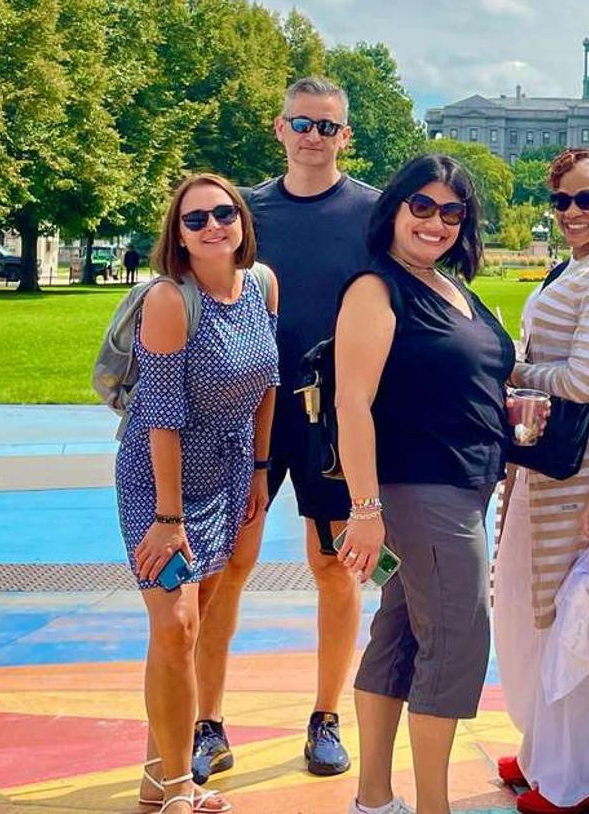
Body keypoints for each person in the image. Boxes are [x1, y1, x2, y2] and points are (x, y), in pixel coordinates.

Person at [194, 77, 380, 783]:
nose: (313, 136)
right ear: (279, 128)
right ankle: (208, 721)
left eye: (327, 126)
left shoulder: (371, 212)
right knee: (227, 566)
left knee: (334, 564)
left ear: (345, 136)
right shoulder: (242, 211)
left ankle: (326, 715)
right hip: (249, 411)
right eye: (302, 123)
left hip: (336, 416)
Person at [335, 154, 532, 814]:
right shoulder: (377, 287)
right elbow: (352, 403)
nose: (436, 221)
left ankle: (373, 797)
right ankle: (433, 807)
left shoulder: (453, 289)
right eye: (422, 205)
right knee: (456, 634)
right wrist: (365, 508)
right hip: (421, 487)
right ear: (393, 206)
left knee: (400, 635)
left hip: (464, 485)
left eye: (452, 211)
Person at [119, 173, 280, 814]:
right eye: (196, 219)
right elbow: (160, 414)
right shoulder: (167, 298)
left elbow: (267, 385)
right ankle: (181, 783)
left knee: (196, 625)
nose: (213, 225)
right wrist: (166, 517)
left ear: (242, 220)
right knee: (176, 625)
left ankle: (156, 779)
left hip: (231, 472)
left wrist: (262, 471)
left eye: (224, 213)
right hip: (160, 481)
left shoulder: (262, 285)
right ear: (177, 235)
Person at [494, 148, 589, 814]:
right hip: (547, 454)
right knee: (535, 595)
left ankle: (586, 772)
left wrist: (511, 373)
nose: (573, 212)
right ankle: (545, 749)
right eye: (562, 201)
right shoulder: (576, 265)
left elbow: (583, 380)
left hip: (578, 459)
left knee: (574, 605)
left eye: (587, 199)